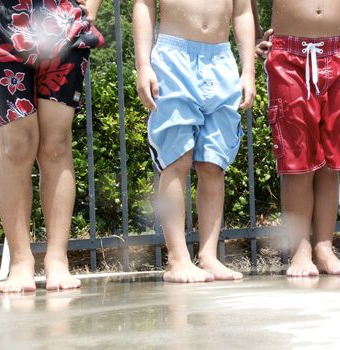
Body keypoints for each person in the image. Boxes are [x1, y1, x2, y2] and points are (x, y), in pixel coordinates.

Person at [133, 0, 255, 283]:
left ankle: (209, 256)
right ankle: (177, 258)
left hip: (221, 60)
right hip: (172, 58)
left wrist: (248, 70)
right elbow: (144, 4)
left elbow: (243, 11)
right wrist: (143, 65)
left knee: (213, 163)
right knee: (177, 158)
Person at [0, 0, 104, 292]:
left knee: (55, 144)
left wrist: (90, 7)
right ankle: (20, 262)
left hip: (61, 17)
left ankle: (57, 259)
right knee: (15, 145)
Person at [254, 0, 340, 277]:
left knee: (331, 161)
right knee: (297, 162)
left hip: (339, 51)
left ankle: (324, 249)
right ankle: (300, 252)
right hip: (289, 54)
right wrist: (256, 37)